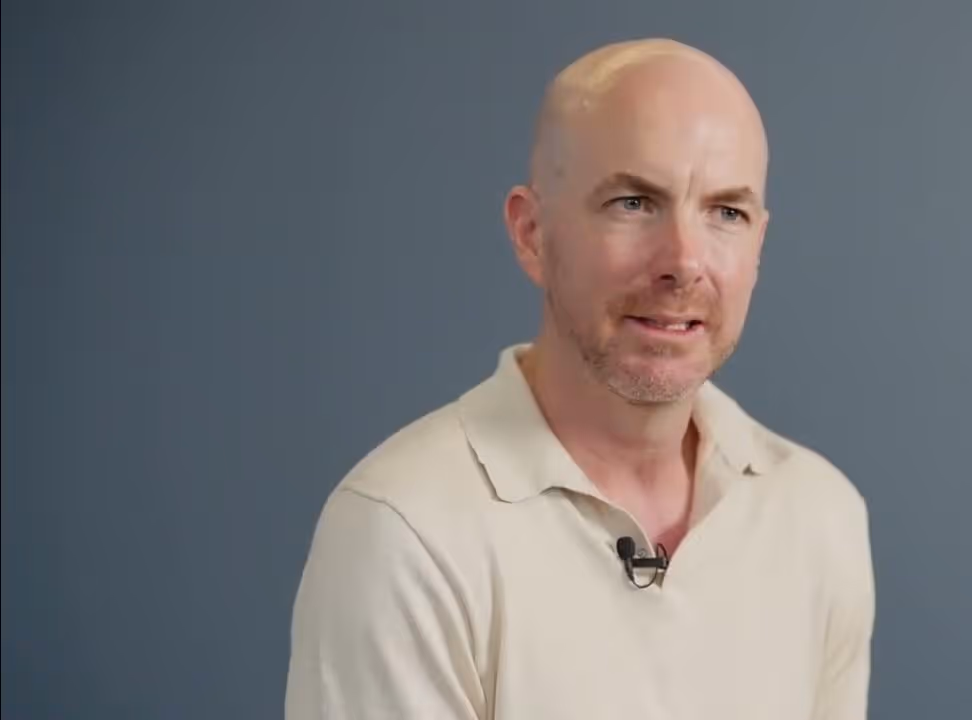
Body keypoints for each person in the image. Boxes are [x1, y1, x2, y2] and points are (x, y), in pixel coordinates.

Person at [284, 37, 875, 719]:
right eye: (632, 202)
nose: (684, 262)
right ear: (532, 233)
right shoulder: (405, 533)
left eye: (726, 213)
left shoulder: (818, 517)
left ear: (759, 244)